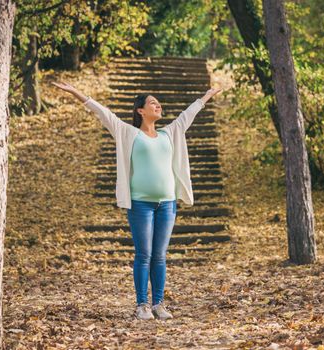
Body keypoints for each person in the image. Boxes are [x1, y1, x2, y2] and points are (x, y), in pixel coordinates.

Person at [52, 81, 222, 320]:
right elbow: (103, 114)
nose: (158, 105)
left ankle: (158, 304)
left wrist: (205, 96)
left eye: (158, 103)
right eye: (153, 102)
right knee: (144, 254)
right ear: (140, 110)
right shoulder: (128, 133)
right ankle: (142, 305)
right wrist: (77, 93)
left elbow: (187, 115)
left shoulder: (169, 133)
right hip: (140, 204)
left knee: (160, 255)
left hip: (167, 204)